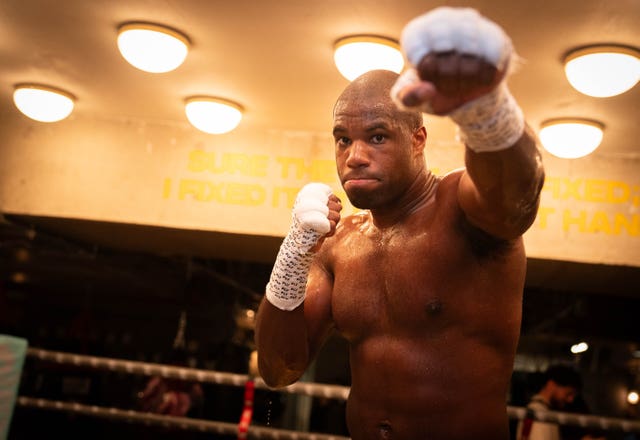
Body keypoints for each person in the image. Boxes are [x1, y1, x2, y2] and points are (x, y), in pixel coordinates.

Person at [255, 6, 545, 440]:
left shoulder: (460, 209)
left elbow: (517, 196)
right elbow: (279, 369)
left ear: (418, 138)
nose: (353, 155)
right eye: (342, 139)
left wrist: (487, 111)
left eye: (377, 136)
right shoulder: (338, 245)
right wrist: (293, 253)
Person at [516, 365, 606, 440]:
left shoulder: (543, 411)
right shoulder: (538, 413)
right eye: (568, 393)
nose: (570, 399)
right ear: (551, 384)